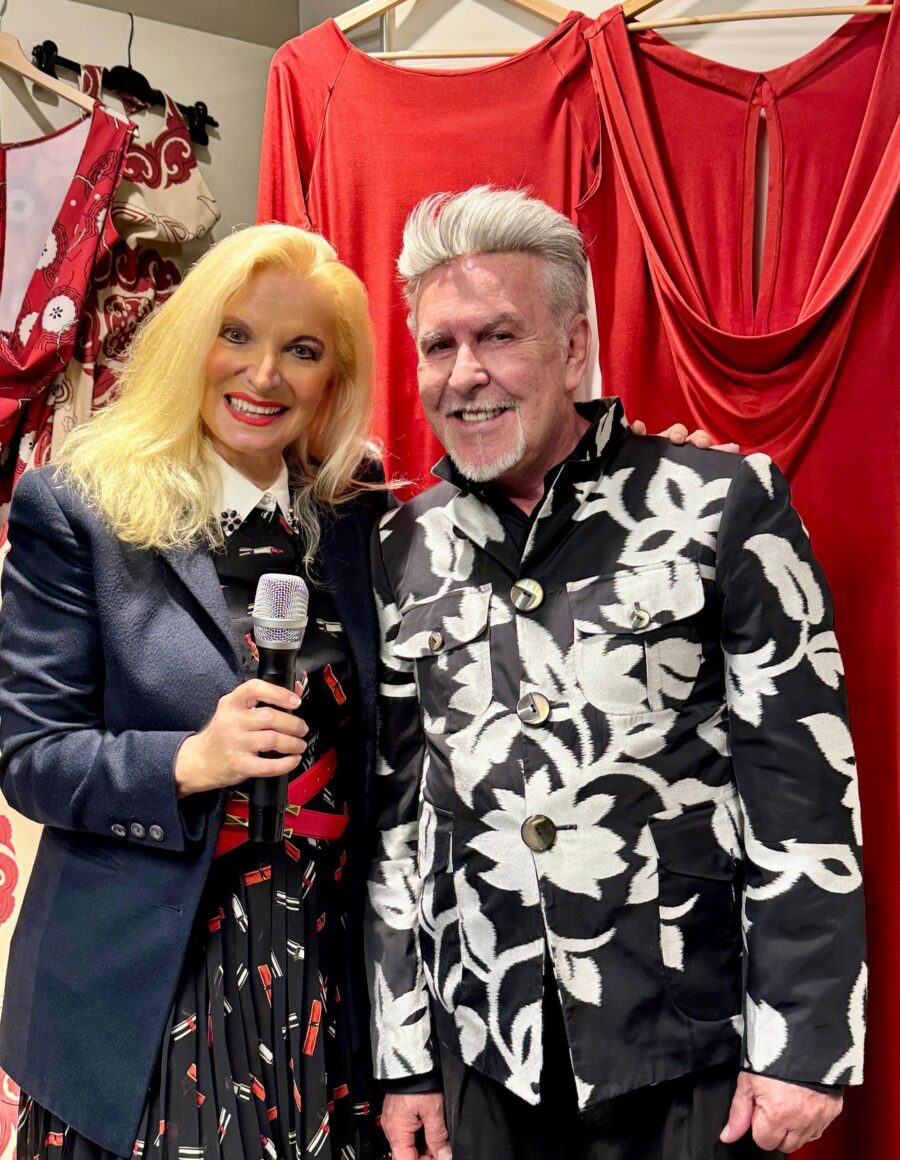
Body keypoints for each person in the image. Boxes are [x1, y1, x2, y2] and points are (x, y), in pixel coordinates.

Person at [366, 187, 866, 1160]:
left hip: (688, 1042)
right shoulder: (401, 545)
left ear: (574, 345)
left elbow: (802, 787)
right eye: (438, 345)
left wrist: (805, 1043)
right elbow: (399, 823)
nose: (465, 374)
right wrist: (406, 1055)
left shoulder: (721, 501)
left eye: (498, 335)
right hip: (488, 1052)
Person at [0, 224, 392, 1160]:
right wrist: (187, 760)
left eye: (303, 350)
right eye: (235, 334)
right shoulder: (82, 506)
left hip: (325, 972)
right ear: (189, 342)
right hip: (148, 982)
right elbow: (30, 757)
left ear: (333, 379)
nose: (264, 375)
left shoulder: (357, 513)